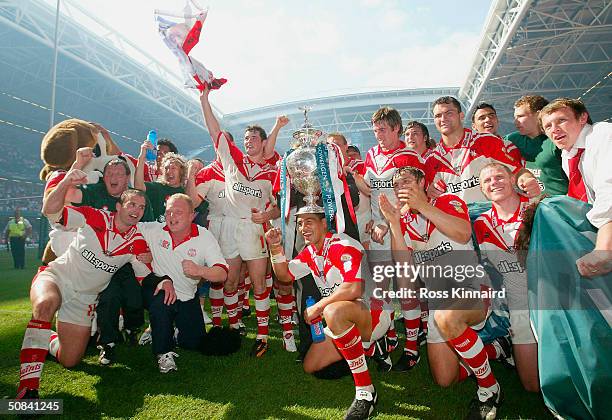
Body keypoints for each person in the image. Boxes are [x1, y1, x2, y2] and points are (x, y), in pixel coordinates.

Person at [380, 166, 503, 420]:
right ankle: (493, 350)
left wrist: (422, 206)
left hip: (472, 289)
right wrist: (393, 224)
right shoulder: (404, 222)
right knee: (445, 379)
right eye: (396, 185)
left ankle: (489, 389)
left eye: (406, 181)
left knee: (446, 318)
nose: (400, 186)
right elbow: (403, 271)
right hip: (439, 304)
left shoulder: (447, 200)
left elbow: (463, 232)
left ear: (422, 182)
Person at [16, 172, 152, 400]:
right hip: (57, 277)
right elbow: (51, 211)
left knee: (70, 360)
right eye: (132, 203)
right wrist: (67, 179)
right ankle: (28, 390)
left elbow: (145, 277)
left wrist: (162, 281)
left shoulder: (137, 242)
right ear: (118, 206)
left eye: (141, 207)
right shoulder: (94, 216)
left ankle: (46, 338)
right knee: (46, 304)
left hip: (85, 299)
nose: (136, 210)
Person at [266, 208, 391, 420]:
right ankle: (370, 348)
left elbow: (353, 289)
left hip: (374, 312)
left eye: (309, 222)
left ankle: (365, 392)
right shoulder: (311, 252)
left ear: (325, 223)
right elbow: (285, 275)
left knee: (332, 311)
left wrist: (318, 307)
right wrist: (276, 247)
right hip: (344, 316)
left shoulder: (342, 245)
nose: (303, 228)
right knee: (310, 365)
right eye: (300, 223)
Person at [199, 86, 281, 357]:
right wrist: (204, 99)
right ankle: (234, 327)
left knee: (259, 284)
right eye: (245, 138)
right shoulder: (232, 159)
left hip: (254, 229)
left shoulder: (273, 170)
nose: (248, 142)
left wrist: (267, 215)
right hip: (229, 228)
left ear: (263, 141)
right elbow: (214, 130)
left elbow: (281, 208)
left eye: (253, 138)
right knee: (230, 283)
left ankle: (263, 334)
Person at [138, 193, 228, 373]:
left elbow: (222, 273)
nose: (172, 217)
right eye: (169, 212)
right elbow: (125, 226)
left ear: (192, 216)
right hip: (158, 292)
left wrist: (200, 271)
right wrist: (143, 250)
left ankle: (162, 328)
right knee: (163, 298)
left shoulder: (204, 237)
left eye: (178, 212)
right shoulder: (153, 229)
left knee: (193, 343)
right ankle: (163, 352)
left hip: (187, 297)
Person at [474, 163, 540, 392]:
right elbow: (489, 269)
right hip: (519, 305)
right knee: (532, 386)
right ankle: (505, 342)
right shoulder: (481, 222)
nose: (494, 183)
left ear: (513, 180)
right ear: (482, 190)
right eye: (487, 181)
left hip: (552, 300)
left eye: (500, 177)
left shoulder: (536, 207)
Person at [539, 98, 612, 277]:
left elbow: (608, 190)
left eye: (561, 120)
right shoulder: (568, 155)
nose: (554, 129)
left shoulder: (602, 134)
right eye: (547, 126)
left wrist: (603, 249)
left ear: (582, 118)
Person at [425, 96, 540, 203]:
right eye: (438, 116)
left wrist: (527, 179)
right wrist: (427, 193)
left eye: (449, 113)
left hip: (491, 219)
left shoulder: (486, 141)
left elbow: (518, 172)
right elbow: (424, 200)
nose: (443, 119)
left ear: (461, 115)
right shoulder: (432, 159)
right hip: (457, 222)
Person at [505, 95, 568, 196]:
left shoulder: (557, 139)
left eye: (521, 116)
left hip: (560, 204)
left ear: (538, 115)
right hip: (531, 207)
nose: (515, 121)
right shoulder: (512, 140)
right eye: (515, 117)